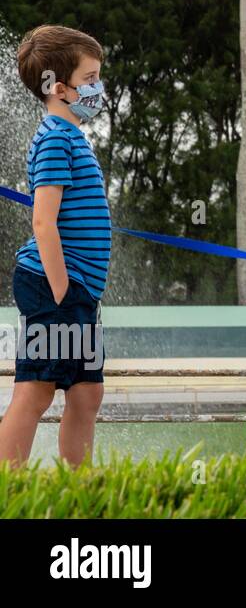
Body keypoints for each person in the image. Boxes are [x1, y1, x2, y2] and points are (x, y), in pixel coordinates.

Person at [0, 25, 111, 468]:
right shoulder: (54, 137)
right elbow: (43, 221)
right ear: (60, 88)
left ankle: (80, 490)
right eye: (91, 78)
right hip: (55, 285)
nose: (98, 88)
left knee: (87, 393)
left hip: (77, 290)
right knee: (37, 390)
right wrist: (62, 289)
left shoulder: (72, 138)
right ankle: (9, 487)